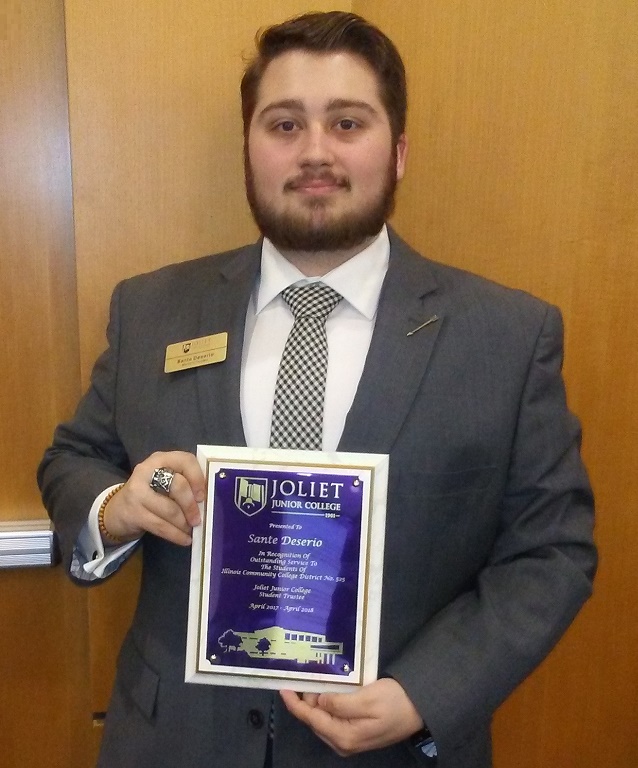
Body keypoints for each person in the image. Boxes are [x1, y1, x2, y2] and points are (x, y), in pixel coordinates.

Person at [38, 11, 596, 768]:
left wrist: (424, 694)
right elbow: (75, 459)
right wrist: (119, 507)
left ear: (397, 152)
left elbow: (551, 552)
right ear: (249, 146)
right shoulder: (153, 309)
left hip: (394, 752)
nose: (314, 152)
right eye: (283, 124)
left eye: (347, 122)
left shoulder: (507, 336)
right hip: (173, 742)